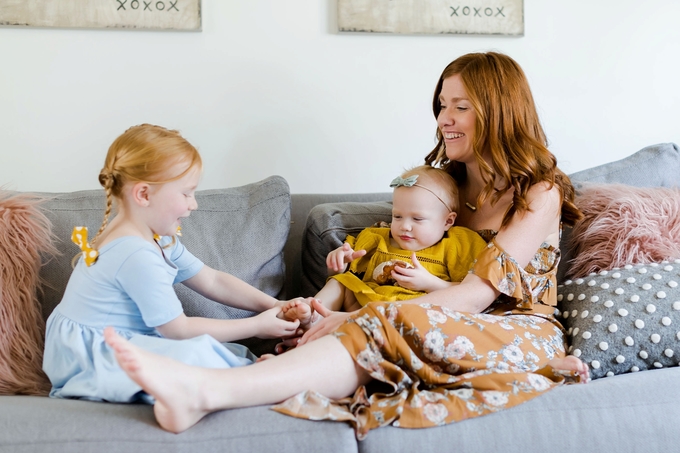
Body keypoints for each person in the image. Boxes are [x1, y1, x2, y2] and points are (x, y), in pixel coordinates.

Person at [103, 52, 590, 438]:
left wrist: (359, 316)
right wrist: (352, 290)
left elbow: (475, 298)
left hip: (517, 328)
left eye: (461, 107)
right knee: (364, 323)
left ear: (501, 112)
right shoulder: (444, 189)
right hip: (435, 318)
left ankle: (207, 390)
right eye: (442, 105)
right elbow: (389, 253)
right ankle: (212, 391)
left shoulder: (539, 191)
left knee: (382, 321)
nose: (445, 118)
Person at [42, 124, 303, 403]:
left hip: (126, 342)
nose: (194, 205)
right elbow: (178, 331)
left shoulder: (157, 238)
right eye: (187, 193)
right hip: (97, 358)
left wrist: (272, 306)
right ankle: (258, 381)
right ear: (144, 194)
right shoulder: (134, 253)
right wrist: (256, 326)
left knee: (218, 353)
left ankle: (253, 376)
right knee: (197, 354)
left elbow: (212, 280)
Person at [280, 165, 487, 327]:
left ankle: (339, 326)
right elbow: (354, 273)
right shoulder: (377, 237)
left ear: (448, 221)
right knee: (342, 281)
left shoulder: (456, 244)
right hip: (364, 303)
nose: (405, 226)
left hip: (412, 312)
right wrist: (338, 264)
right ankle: (314, 314)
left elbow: (469, 291)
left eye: (418, 219)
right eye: (397, 216)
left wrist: (430, 283)